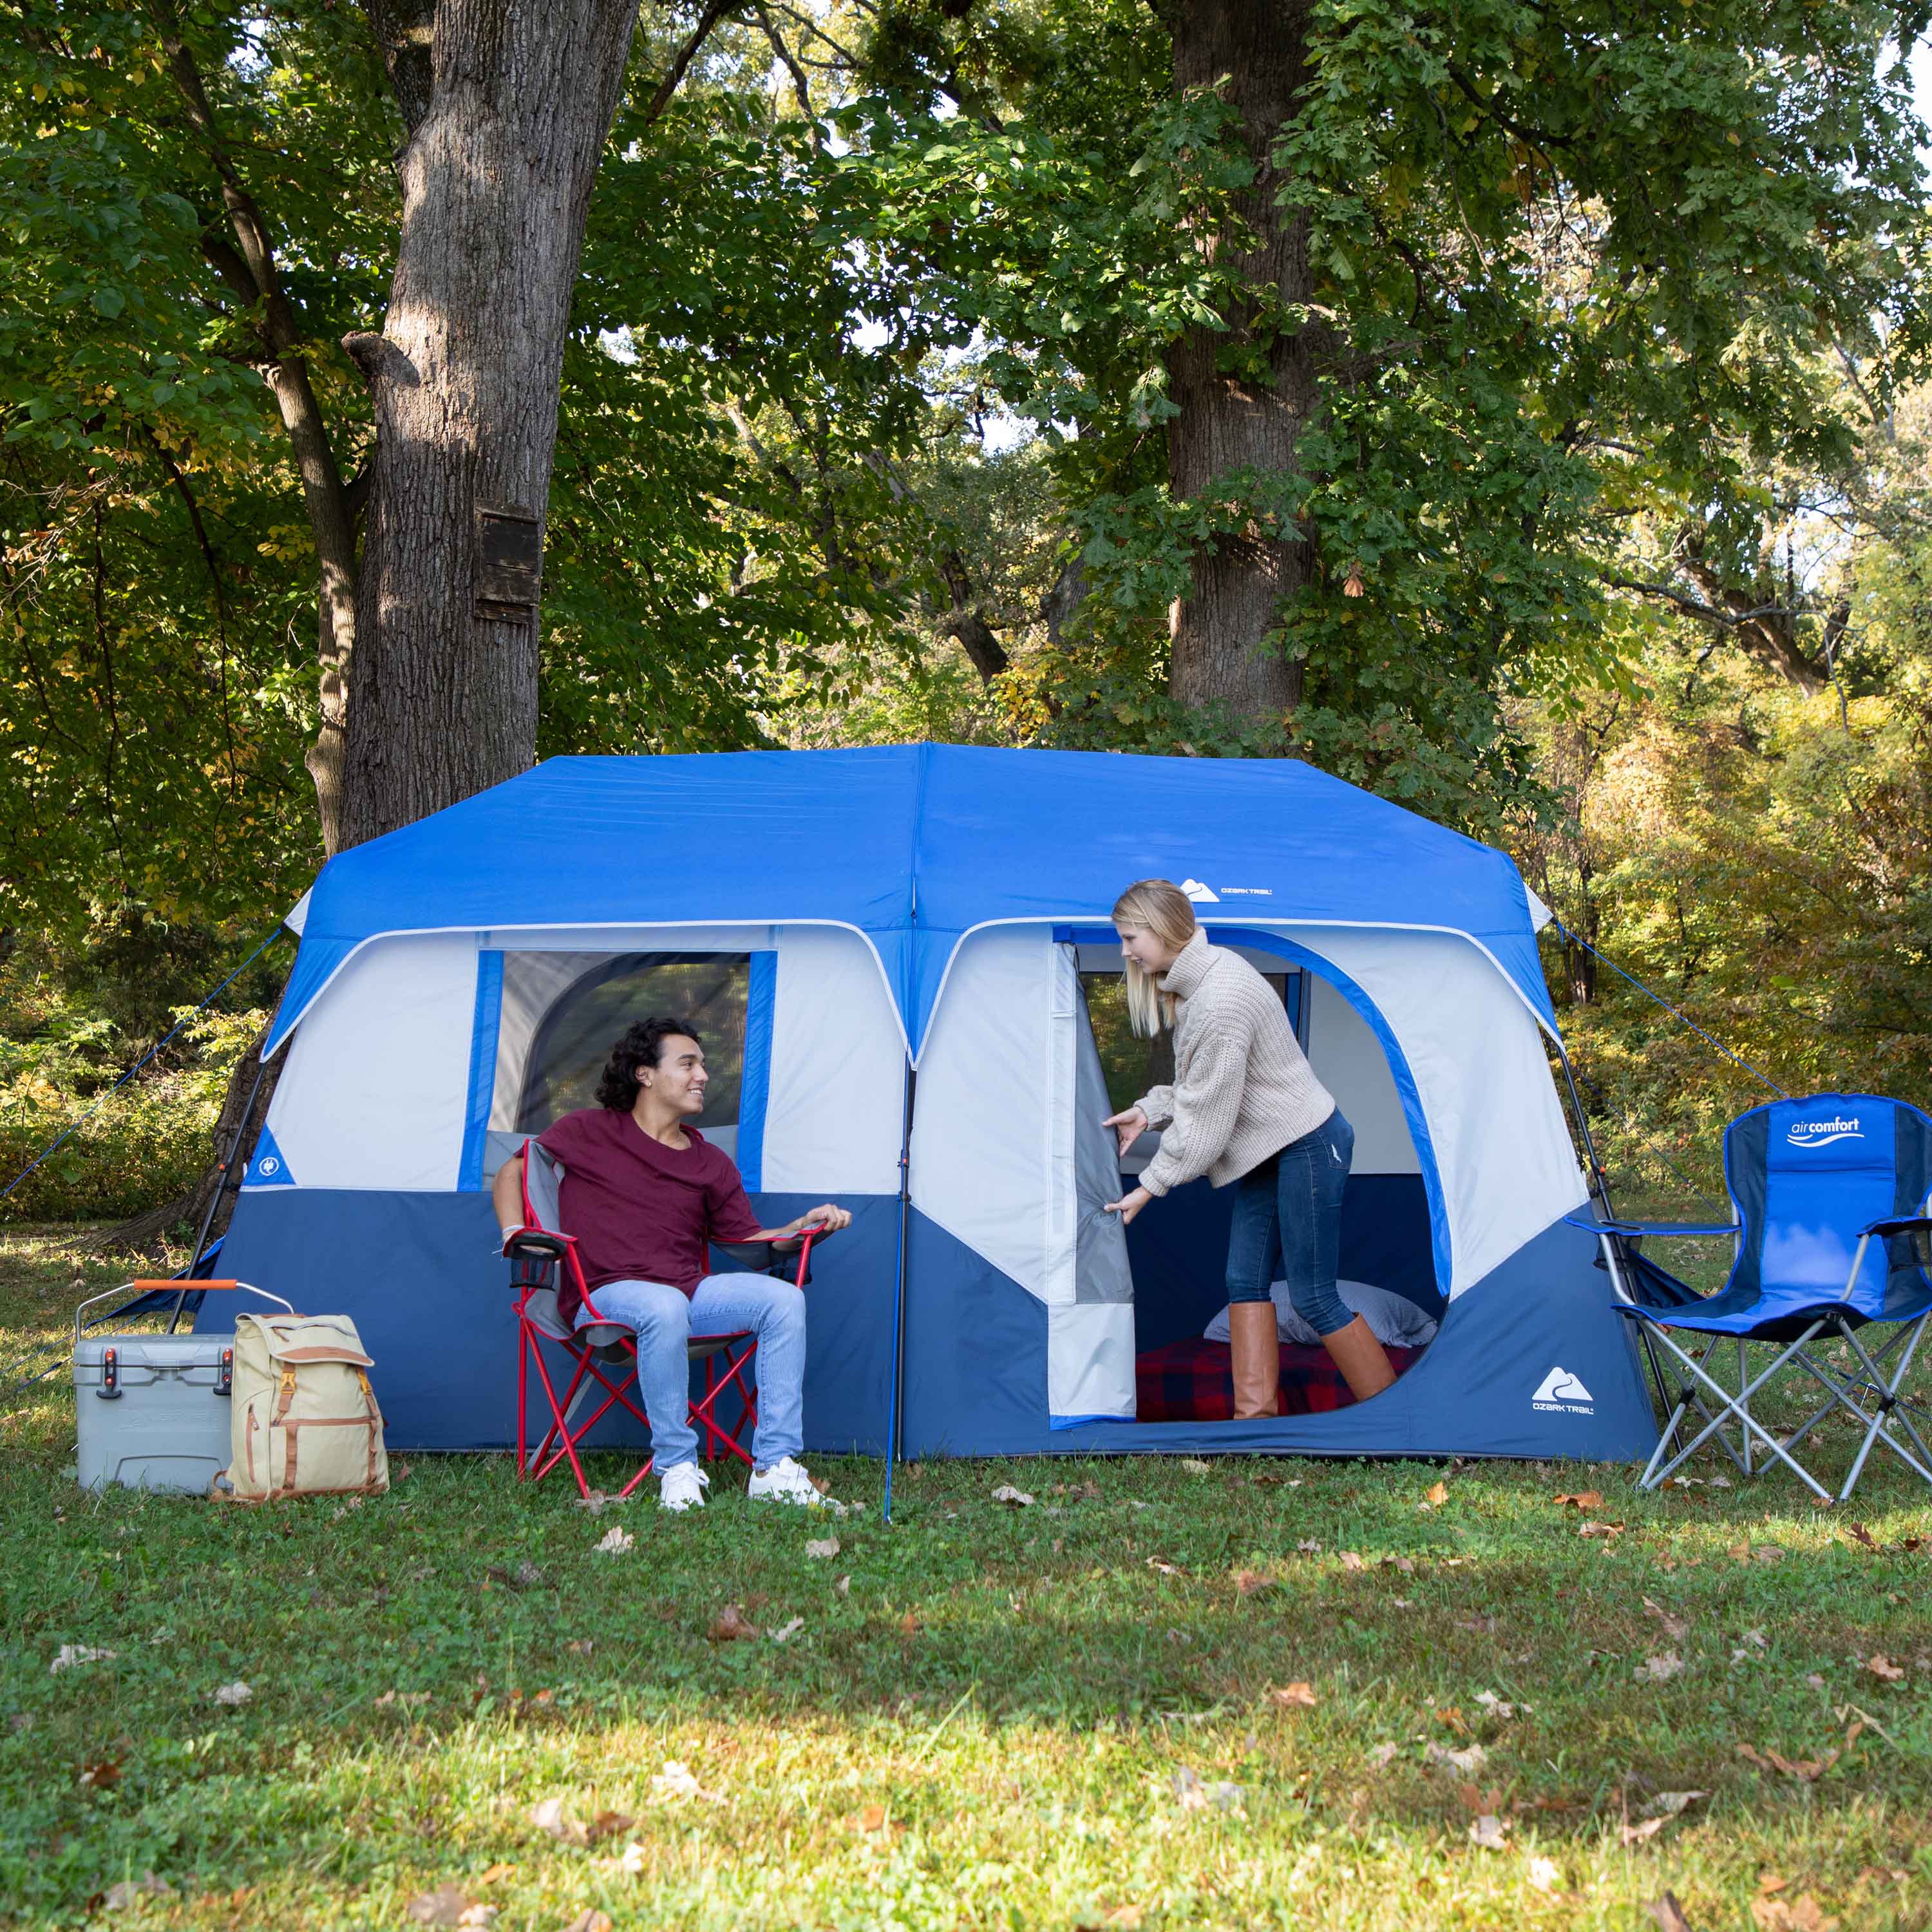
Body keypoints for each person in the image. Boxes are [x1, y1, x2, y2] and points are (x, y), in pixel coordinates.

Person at [493, 1014, 851, 1512]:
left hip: (687, 1294)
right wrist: (515, 1233)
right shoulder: (588, 1131)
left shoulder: (709, 1162)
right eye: (688, 1064)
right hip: (602, 1298)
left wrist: (802, 1225)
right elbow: (514, 1170)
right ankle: (678, 1467)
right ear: (645, 1074)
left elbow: (747, 1239)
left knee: (783, 1299)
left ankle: (774, 1467)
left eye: (702, 1065)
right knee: (663, 1306)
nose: (703, 1075)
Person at [1101, 879, 1396, 1421]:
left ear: (1163, 929)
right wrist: (1149, 1109)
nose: (1125, 952)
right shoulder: (1199, 984)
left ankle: (1394, 1418)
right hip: (1269, 1149)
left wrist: (1150, 1185)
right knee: (1243, 1281)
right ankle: (1255, 1425)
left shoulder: (1220, 997)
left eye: (1129, 938)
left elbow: (1209, 1119)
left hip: (1308, 1143)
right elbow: (1201, 1085)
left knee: (1312, 1295)